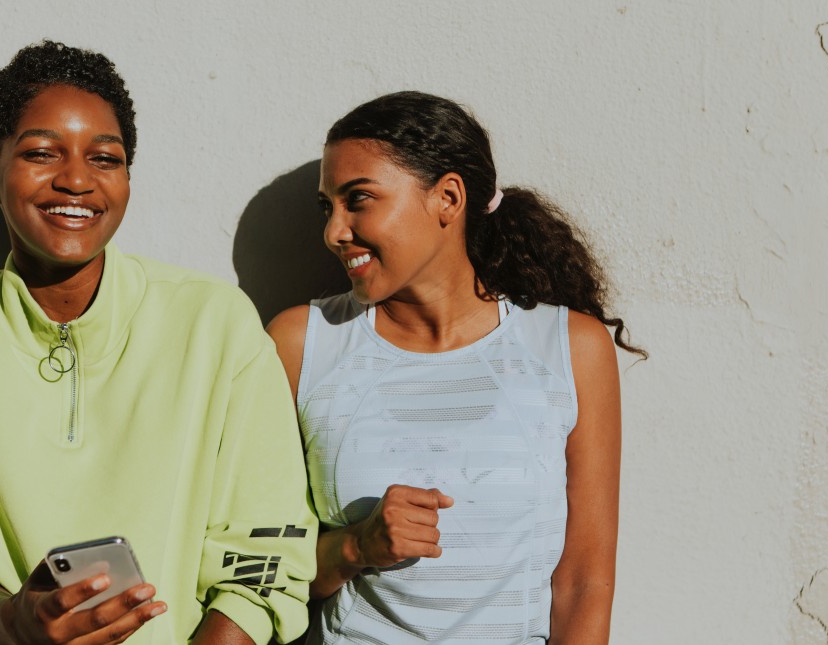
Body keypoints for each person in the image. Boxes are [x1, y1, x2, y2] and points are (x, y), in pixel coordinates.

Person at [0, 41, 316, 645]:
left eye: (104, 158)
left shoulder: (215, 323)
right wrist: (14, 622)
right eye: (40, 153)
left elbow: (266, 555)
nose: (77, 179)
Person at [267, 91, 644, 644]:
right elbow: (263, 563)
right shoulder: (303, 344)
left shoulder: (569, 347)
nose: (334, 232)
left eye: (359, 199)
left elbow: (585, 584)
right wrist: (356, 546)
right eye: (328, 206)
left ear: (448, 197)